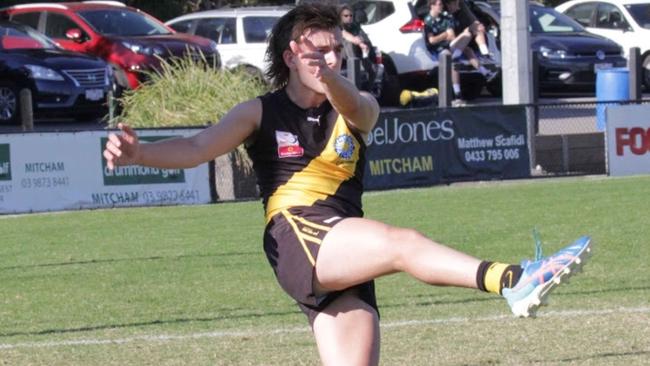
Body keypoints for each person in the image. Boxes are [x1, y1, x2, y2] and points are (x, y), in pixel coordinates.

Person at [103, 4, 592, 365]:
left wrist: (330, 77)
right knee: (402, 244)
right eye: (319, 51)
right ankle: (513, 279)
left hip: (342, 242)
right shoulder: (259, 111)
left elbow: (355, 105)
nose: (331, 58)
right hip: (298, 231)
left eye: (336, 49)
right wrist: (139, 153)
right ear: (291, 56)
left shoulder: (356, 105)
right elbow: (195, 149)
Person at [424, 0, 496, 100]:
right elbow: (432, 40)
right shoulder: (428, 20)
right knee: (464, 40)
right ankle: (457, 92)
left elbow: (452, 35)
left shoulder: (445, 17)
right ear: (432, 6)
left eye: (441, 4)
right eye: (439, 4)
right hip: (440, 49)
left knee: (468, 49)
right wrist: (445, 35)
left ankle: (485, 72)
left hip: (449, 45)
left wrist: (446, 36)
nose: (441, 7)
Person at [338, 4, 376, 92]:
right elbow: (346, 35)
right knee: (349, 44)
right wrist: (359, 43)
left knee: (372, 70)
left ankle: (367, 92)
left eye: (351, 15)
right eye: (346, 16)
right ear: (340, 17)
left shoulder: (355, 25)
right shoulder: (338, 26)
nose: (349, 18)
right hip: (342, 54)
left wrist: (364, 45)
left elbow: (361, 37)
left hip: (358, 51)